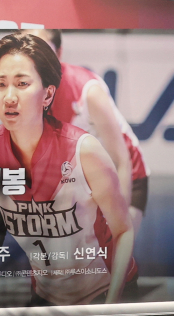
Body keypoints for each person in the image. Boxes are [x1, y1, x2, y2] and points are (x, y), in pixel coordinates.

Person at [0, 33, 136, 307]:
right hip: (46, 295)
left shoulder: (84, 150)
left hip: (105, 291)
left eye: (22, 84)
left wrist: (112, 306)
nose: (9, 97)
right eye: (0, 84)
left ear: (48, 94)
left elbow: (124, 231)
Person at [32, 31, 149, 235]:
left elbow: (121, 161)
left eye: (43, 51)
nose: (34, 60)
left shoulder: (87, 91)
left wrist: (118, 226)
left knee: (114, 258)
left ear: (58, 53)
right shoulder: (24, 93)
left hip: (126, 173)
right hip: (82, 179)